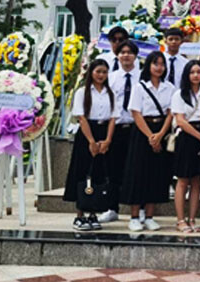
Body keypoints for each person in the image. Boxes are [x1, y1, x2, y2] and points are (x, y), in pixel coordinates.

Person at [121, 51, 175, 232]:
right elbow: (135, 112)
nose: (159, 68)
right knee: (138, 174)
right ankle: (135, 216)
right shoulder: (140, 87)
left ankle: (150, 216)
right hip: (142, 133)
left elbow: (170, 113)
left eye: (162, 64)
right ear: (149, 66)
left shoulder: (169, 88)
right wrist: (150, 136)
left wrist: (159, 135)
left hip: (161, 131)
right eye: (155, 64)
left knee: (156, 175)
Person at [63, 59, 117, 231]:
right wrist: (91, 142)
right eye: (98, 71)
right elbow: (81, 117)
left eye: (104, 72)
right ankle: (80, 215)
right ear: (91, 72)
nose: (101, 75)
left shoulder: (110, 93)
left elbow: (113, 118)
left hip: (104, 133)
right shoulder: (82, 92)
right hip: (87, 134)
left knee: (99, 174)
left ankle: (94, 212)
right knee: (82, 172)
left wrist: (107, 140)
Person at [99, 40, 140, 224]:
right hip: (115, 128)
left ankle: (138, 211)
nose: (126, 55)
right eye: (122, 52)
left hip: (136, 128)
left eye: (130, 52)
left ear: (135, 55)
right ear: (117, 55)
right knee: (113, 169)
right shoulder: (111, 77)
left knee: (136, 169)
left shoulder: (143, 77)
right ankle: (111, 207)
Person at [171, 60, 200, 233]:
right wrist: (199, 136)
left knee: (197, 181)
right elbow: (180, 121)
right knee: (183, 180)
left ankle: (192, 219)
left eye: (199, 72)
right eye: (192, 72)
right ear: (187, 75)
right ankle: (180, 220)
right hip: (187, 138)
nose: (196, 75)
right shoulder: (179, 94)